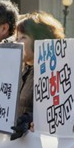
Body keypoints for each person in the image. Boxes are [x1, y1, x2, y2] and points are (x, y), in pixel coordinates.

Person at [11, 11, 65, 139]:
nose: (17, 43)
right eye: (17, 38)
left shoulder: (52, 73)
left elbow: (53, 111)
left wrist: (30, 119)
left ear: (38, 39)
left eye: (23, 38)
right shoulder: (20, 70)